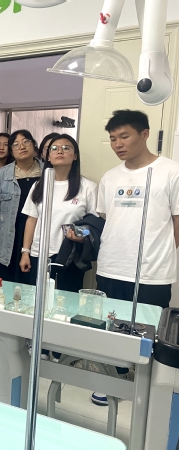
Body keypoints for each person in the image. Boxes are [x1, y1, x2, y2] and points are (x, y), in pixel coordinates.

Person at [92, 109, 179, 406]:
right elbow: (108, 219)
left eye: (124, 136)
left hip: (153, 271)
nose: (118, 144)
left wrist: (163, 255)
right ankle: (113, 380)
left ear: (145, 134)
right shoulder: (110, 177)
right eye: (113, 138)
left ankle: (148, 386)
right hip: (111, 266)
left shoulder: (171, 172)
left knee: (149, 331)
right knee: (111, 326)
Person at [19, 134, 98, 292]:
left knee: (66, 302)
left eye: (66, 148)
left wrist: (81, 236)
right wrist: (25, 252)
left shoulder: (88, 187)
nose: (59, 151)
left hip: (70, 257)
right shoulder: (39, 186)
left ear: (75, 156)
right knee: (37, 298)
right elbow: (32, 220)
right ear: (48, 156)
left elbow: (93, 225)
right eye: (54, 148)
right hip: (39, 255)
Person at [0, 130, 42, 284]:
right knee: (7, 285)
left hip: (38, 237)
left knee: (34, 284)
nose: (21, 146)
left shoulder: (47, 173)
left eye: (26, 142)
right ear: (11, 151)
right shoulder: (2, 175)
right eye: (16, 144)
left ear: (34, 145)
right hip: (8, 239)